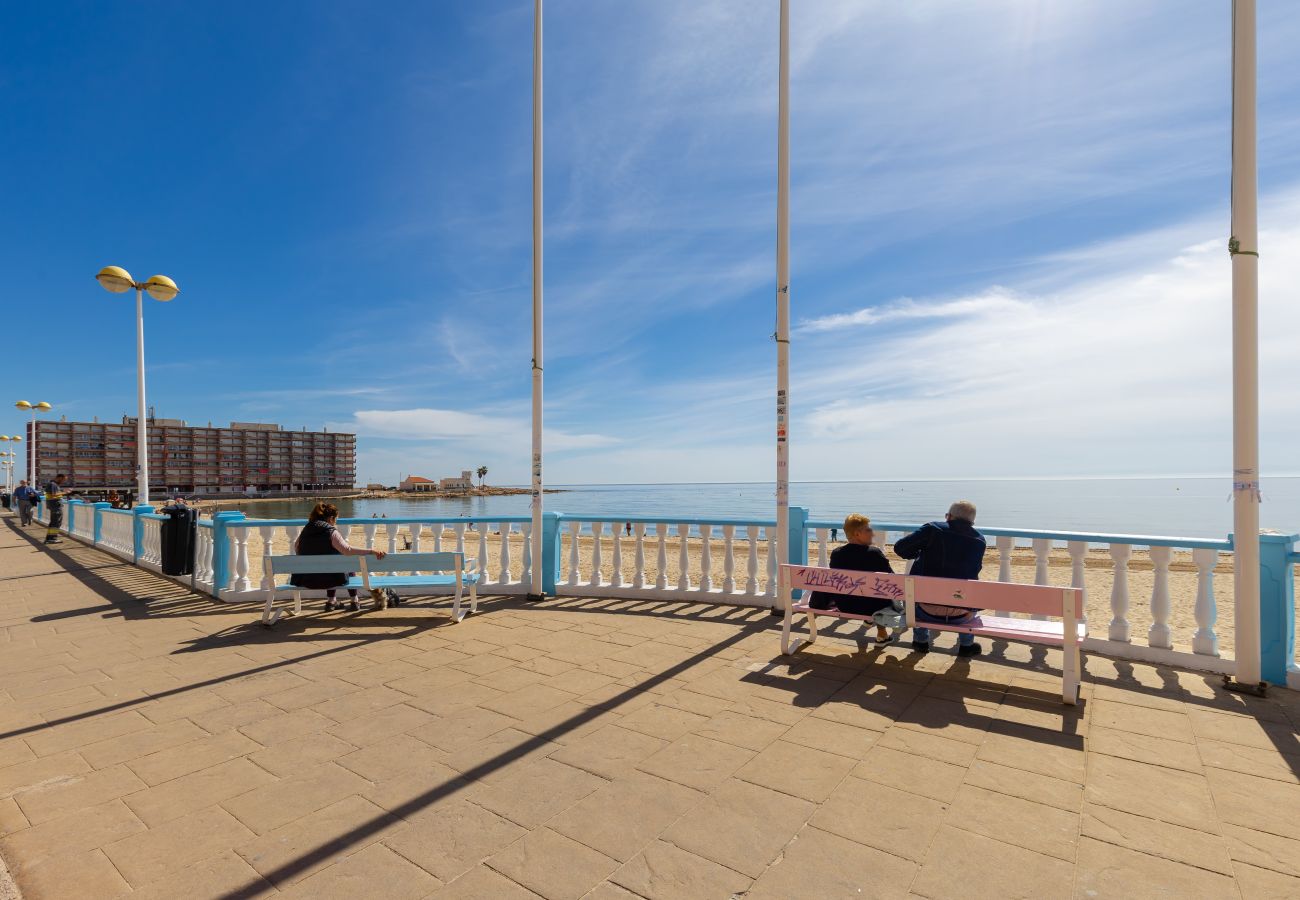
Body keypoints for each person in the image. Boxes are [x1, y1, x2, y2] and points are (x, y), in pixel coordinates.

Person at [894, 499, 987, 657]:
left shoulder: (932, 529)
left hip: (924, 611)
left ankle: (921, 642)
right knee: (967, 591)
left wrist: (919, 553)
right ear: (972, 521)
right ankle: (966, 645)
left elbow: (900, 548)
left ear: (949, 516)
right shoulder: (979, 541)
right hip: (962, 616)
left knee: (916, 591)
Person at [808, 514, 897, 644]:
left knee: (873, 592)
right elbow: (893, 581)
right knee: (881, 593)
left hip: (846, 605)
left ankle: (877, 628)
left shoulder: (837, 554)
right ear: (857, 534)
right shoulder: (874, 554)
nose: (872, 533)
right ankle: (881, 632)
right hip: (873, 607)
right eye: (868, 530)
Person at [292, 502, 387, 611]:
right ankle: (354, 600)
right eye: (336, 519)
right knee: (346, 564)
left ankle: (331, 601)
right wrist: (371, 551)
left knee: (331, 565)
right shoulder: (331, 532)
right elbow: (348, 550)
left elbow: (296, 548)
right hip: (330, 580)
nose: (335, 523)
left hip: (307, 580)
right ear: (331, 518)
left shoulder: (305, 530)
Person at [42, 474, 72, 545]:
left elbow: (50, 495)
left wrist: (61, 492)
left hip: (52, 506)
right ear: (59, 478)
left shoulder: (51, 484)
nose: (63, 482)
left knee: (53, 523)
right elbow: (54, 495)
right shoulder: (53, 484)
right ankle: (52, 538)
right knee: (56, 523)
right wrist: (65, 492)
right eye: (63, 480)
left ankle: (49, 538)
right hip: (55, 506)